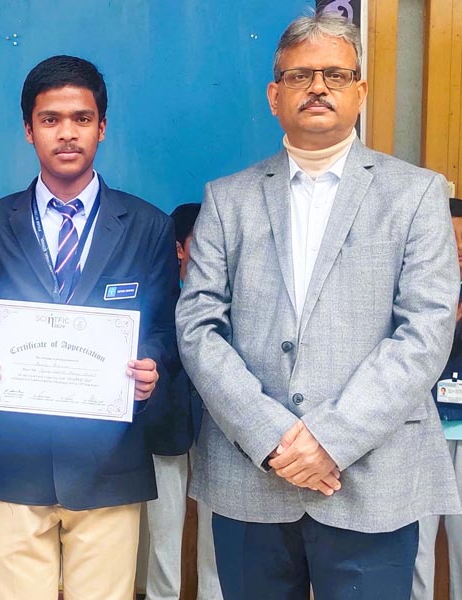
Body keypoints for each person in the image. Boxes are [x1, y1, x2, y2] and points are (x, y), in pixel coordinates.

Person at [176, 11, 460, 599]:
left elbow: (426, 330)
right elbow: (199, 326)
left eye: (336, 74)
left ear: (360, 90)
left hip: (371, 477)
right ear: (274, 95)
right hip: (253, 475)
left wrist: (331, 438)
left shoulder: (416, 194)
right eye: (300, 76)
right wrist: (272, 436)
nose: (318, 88)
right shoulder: (227, 200)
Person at [0, 55, 180, 600]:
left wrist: (152, 365)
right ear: (28, 129)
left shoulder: (148, 226)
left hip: (110, 462)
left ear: (102, 127)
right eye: (50, 119)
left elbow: (164, 328)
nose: (66, 133)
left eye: (81, 119)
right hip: (14, 462)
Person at [145, 202, 222, 600]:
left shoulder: (232, 300)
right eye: (201, 241)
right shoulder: (156, 299)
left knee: (218, 534)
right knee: (163, 531)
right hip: (165, 425)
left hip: (220, 430)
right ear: (179, 248)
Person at [412, 198, 462, 600]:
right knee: (417, 545)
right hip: (420, 426)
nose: (457, 248)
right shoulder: (413, 284)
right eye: (451, 238)